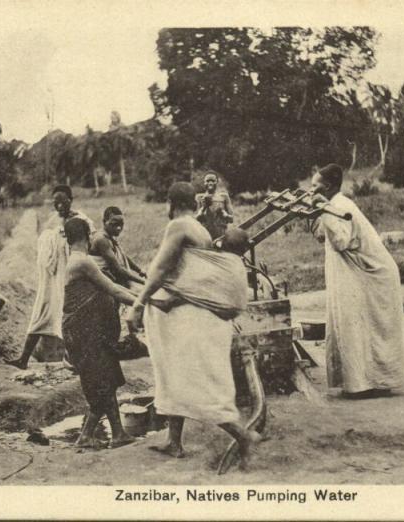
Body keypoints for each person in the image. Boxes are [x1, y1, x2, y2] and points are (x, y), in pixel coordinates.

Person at [127, 182, 260, 468]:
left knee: (194, 381)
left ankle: (243, 435)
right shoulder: (199, 228)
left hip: (189, 318)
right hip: (190, 315)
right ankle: (174, 442)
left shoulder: (178, 226)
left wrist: (139, 303)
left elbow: (162, 269)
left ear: (170, 203)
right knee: (176, 376)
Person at [310, 164, 404, 398]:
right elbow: (322, 234)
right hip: (357, 273)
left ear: (330, 187)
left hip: (374, 274)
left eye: (316, 187)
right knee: (353, 324)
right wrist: (316, 210)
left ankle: (368, 384)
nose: (312, 191)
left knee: (363, 327)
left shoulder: (341, 207)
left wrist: (322, 209)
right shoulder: (331, 206)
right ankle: (360, 383)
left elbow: (341, 241)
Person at [61, 217, 139, 448]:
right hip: (85, 334)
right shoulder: (82, 262)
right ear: (86, 236)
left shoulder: (79, 260)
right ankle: (85, 436)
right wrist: (143, 301)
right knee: (100, 382)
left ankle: (118, 433)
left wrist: (142, 297)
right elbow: (112, 288)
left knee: (107, 379)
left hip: (90, 332)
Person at [6, 185, 94, 370]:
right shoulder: (53, 220)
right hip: (50, 277)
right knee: (40, 313)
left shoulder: (81, 220)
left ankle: (73, 361)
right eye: (56, 201)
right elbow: (44, 245)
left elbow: (89, 244)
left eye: (63, 201)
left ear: (71, 200)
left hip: (69, 274)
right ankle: (23, 359)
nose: (59, 205)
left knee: (69, 316)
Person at [89, 206, 146, 289]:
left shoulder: (109, 236)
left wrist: (139, 270)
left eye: (121, 224)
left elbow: (123, 256)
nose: (119, 228)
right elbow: (118, 269)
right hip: (103, 285)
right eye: (115, 224)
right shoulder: (101, 239)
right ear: (105, 222)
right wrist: (144, 282)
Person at [196, 172, 234, 240]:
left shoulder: (224, 196)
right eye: (207, 181)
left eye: (213, 181)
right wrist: (204, 208)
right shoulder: (200, 197)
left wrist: (224, 214)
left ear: (217, 182)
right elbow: (196, 220)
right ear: (204, 183)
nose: (210, 183)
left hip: (220, 233)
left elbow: (231, 219)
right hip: (205, 234)